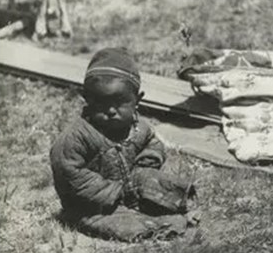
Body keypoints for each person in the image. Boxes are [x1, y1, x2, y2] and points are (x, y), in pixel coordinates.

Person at [50, 47, 199, 241]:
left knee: (164, 186)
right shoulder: (76, 137)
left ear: (137, 100)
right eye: (101, 103)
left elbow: (152, 143)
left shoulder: (137, 127)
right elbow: (69, 172)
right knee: (121, 224)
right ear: (87, 99)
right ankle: (149, 227)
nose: (110, 110)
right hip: (94, 204)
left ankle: (183, 206)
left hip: (130, 185)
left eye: (119, 102)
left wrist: (147, 163)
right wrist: (111, 192)